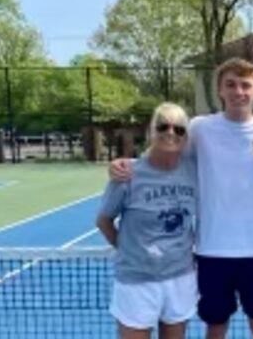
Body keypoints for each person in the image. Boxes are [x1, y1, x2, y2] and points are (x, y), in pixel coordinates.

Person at [110, 58, 253, 339]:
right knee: (215, 327)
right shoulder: (200, 128)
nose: (238, 92)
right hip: (211, 252)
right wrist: (130, 164)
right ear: (220, 89)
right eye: (230, 84)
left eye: (245, 85)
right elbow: (167, 146)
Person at [96, 102, 197, 339]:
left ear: (185, 137)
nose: (170, 133)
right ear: (152, 131)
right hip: (137, 282)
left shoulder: (193, 170)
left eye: (179, 129)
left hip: (180, 277)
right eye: (163, 126)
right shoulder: (128, 174)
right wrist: (128, 250)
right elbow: (104, 221)